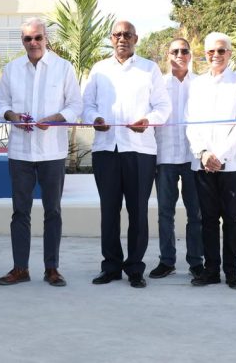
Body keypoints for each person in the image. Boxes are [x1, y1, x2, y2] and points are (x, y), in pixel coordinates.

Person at [83, 20, 171, 289]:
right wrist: (95, 118)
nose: (123, 38)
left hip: (139, 150)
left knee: (138, 211)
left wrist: (147, 120)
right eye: (118, 34)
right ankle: (110, 266)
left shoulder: (149, 69)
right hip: (106, 149)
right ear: (111, 38)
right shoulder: (99, 69)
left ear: (136, 38)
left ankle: (135, 268)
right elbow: (87, 105)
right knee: (109, 211)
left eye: (128, 35)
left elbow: (163, 107)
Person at [0, 17, 82, 287]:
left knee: (52, 211)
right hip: (20, 152)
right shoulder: (11, 69)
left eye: (38, 38)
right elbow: (1, 104)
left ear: (46, 39)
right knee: (20, 212)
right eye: (27, 39)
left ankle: (51, 268)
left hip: (52, 152)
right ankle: (20, 268)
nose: (33, 43)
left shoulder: (63, 68)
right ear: (22, 41)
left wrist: (55, 118)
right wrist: (12, 115)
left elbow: (76, 105)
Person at [186, 32, 236, 290]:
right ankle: (211, 270)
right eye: (211, 51)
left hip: (231, 164)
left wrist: (220, 157)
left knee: (232, 220)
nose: (215, 55)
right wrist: (203, 153)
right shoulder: (196, 84)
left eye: (221, 51)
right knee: (208, 220)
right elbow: (190, 123)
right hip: (202, 164)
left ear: (229, 54)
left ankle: (232, 271)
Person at [149, 37, 204, 280]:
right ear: (167, 56)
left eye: (184, 51)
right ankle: (167, 260)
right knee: (165, 213)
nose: (179, 55)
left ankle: (196, 262)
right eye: (174, 51)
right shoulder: (158, 84)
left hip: (193, 158)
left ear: (190, 55)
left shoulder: (202, 85)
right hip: (165, 157)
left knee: (196, 213)